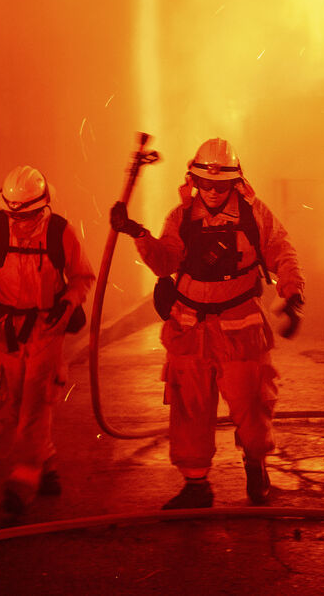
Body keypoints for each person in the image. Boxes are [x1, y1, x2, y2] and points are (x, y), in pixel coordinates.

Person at [110, 138, 304, 509]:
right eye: (206, 184)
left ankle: (255, 464)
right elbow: (166, 262)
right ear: (193, 180)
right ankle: (196, 484)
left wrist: (293, 294)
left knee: (251, 404)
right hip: (189, 329)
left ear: (235, 182)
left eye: (221, 185)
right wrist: (137, 233)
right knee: (190, 408)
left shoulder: (254, 215)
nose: (213, 191)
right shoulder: (181, 218)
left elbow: (282, 250)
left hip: (240, 328)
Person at [0, 165, 95, 515]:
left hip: (47, 327)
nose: (20, 222)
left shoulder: (60, 232)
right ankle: (46, 465)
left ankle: (22, 482)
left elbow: (82, 276)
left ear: (43, 206)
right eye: (13, 215)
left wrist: (69, 301)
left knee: (35, 401)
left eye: (28, 215)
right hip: (6, 329)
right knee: (16, 403)